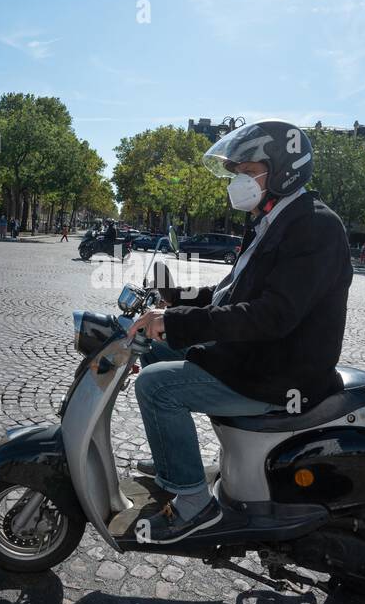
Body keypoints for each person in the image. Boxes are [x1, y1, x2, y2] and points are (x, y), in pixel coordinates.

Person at [126, 120, 352, 543]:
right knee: (153, 352)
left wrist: (177, 324)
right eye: (236, 174)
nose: (238, 183)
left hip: (282, 374)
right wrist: (176, 297)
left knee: (157, 388)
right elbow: (230, 292)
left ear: (284, 170)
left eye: (247, 173)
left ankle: (193, 504)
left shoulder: (315, 226)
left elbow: (271, 316)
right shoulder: (272, 219)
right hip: (257, 357)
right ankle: (175, 459)